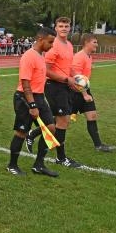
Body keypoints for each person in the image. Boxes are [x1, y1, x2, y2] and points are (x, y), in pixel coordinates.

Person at [25, 17, 82, 168]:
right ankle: (61, 158)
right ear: (55, 28)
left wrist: (76, 78)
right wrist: (66, 79)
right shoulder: (53, 45)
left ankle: (33, 133)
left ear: (70, 28)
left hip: (65, 85)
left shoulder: (69, 45)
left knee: (60, 121)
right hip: (54, 86)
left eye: (66, 26)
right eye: (61, 26)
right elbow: (47, 70)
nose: (64, 28)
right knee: (63, 121)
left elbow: (68, 66)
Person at [7, 27, 59, 177]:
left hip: (39, 97)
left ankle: (39, 165)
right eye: (50, 42)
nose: (51, 45)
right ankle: (12, 165)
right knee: (21, 132)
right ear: (40, 39)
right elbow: (25, 83)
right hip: (25, 98)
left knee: (50, 128)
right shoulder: (29, 56)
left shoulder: (40, 56)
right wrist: (33, 105)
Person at [71, 34, 116, 152]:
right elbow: (76, 78)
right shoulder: (79, 56)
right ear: (86, 42)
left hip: (85, 89)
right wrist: (85, 94)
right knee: (62, 121)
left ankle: (98, 145)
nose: (97, 44)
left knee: (92, 116)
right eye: (95, 42)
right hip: (76, 92)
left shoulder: (88, 56)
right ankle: (34, 134)